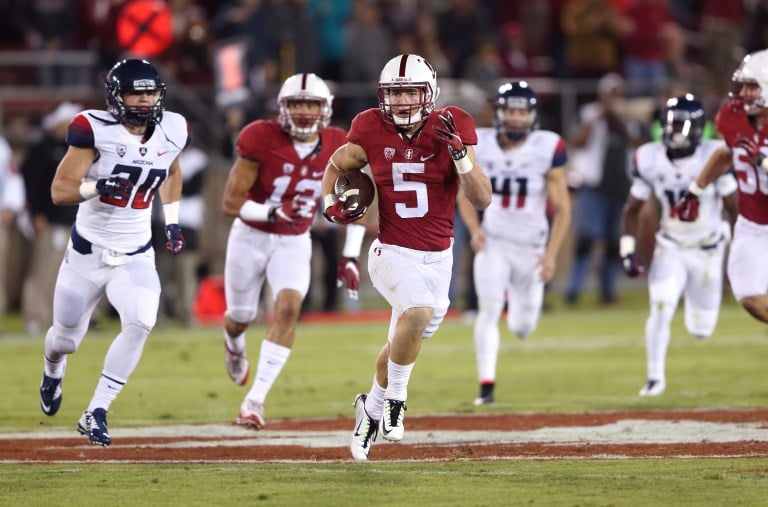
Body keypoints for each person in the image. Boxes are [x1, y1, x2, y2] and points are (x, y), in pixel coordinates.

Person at [321, 53, 492, 460]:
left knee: (402, 340)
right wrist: (331, 203)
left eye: (410, 91)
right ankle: (397, 403)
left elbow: (481, 198)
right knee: (416, 310)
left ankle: (371, 409)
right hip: (391, 251)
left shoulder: (451, 125)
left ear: (428, 92)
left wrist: (460, 155)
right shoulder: (369, 126)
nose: (401, 101)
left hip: (439, 257)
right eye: (394, 93)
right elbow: (335, 164)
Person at [38, 58, 189, 447]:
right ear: (115, 97)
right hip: (87, 254)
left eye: (149, 92)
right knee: (65, 339)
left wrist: (170, 220)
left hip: (136, 253)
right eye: (134, 93)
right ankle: (52, 370)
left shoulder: (173, 128)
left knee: (140, 321)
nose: (143, 101)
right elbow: (59, 191)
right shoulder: (94, 129)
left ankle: (96, 411)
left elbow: (171, 171)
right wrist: (96, 188)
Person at [221, 72, 359, 429]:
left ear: (325, 108)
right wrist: (269, 211)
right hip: (251, 234)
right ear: (283, 108)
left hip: (294, 238)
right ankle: (233, 345)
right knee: (240, 318)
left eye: (310, 104)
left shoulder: (337, 143)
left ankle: (255, 400)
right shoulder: (260, 137)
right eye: (296, 104)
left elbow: (357, 198)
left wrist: (351, 250)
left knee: (289, 308)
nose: (303, 111)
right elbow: (230, 202)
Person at [457, 81, 571, 406]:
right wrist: (474, 229)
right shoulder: (481, 143)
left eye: (522, 111)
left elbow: (563, 209)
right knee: (488, 308)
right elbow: (463, 192)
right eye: (511, 110)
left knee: (523, 326)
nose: (516, 118)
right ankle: (486, 386)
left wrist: (550, 255)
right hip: (494, 241)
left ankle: (519, 320)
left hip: (531, 248)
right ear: (500, 113)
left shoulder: (547, 147)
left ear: (532, 115)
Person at [622, 94, 737, 397]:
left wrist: (737, 252)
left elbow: (734, 207)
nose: (675, 132)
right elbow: (631, 209)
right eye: (671, 125)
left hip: (708, 246)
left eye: (683, 126)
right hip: (670, 244)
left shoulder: (713, 156)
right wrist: (627, 251)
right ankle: (654, 377)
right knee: (660, 307)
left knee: (701, 330)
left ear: (699, 129)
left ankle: (720, 237)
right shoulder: (649, 157)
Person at [675, 50, 768, 325]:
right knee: (750, 297)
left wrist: (762, 159)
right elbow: (725, 153)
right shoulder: (734, 116)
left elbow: (751, 155)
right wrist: (696, 189)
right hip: (753, 225)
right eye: (743, 85)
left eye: (752, 86)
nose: (744, 93)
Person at [565, 73, 646, 305]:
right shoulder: (589, 113)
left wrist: (620, 118)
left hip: (621, 187)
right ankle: (574, 290)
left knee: (614, 243)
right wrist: (599, 118)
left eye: (617, 95)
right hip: (594, 186)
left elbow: (637, 143)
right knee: (585, 241)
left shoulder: (628, 116)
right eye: (610, 95)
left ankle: (608, 293)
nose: (613, 100)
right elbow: (577, 141)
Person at [19, 102, 80, 335]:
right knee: (42, 271)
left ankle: (54, 320)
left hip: (72, 223)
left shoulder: (75, 149)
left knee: (63, 276)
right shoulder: (43, 149)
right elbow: (31, 183)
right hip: (51, 221)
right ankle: (34, 317)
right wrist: (37, 214)